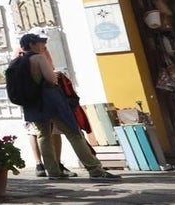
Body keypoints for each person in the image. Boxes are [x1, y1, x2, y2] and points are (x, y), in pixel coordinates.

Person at [16, 33, 119, 180]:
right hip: (51, 102)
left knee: (43, 136)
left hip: (33, 105)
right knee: (74, 134)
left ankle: (53, 172)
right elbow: (51, 80)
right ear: (32, 44)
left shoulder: (18, 62)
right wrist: (54, 75)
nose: (43, 46)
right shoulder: (38, 58)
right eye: (40, 43)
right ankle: (95, 170)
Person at [18, 44, 75, 177]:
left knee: (51, 131)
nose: (43, 44)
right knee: (36, 131)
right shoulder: (23, 52)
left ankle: (55, 165)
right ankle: (41, 164)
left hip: (45, 97)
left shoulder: (43, 51)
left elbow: (50, 70)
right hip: (35, 98)